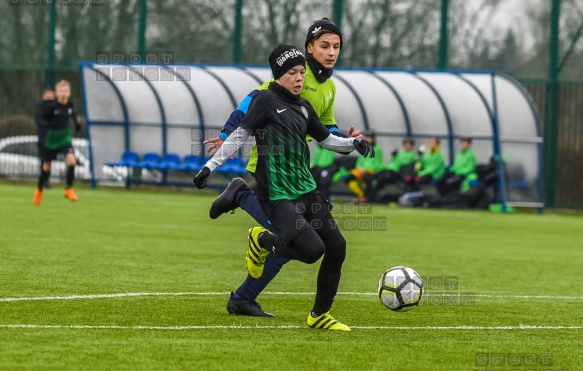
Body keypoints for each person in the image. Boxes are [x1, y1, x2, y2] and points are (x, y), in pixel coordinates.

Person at [193, 44, 375, 331]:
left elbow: (327, 139)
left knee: (337, 246)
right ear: (279, 75)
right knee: (312, 250)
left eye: (302, 72)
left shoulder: (305, 106)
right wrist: (208, 168)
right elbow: (239, 136)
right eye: (292, 72)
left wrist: (354, 143)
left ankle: (319, 315)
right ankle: (262, 240)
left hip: (307, 189)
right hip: (279, 195)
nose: (299, 78)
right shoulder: (265, 100)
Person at [33, 80, 81, 206]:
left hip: (64, 136)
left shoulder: (70, 105)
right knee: (46, 167)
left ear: (69, 93)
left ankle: (68, 188)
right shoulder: (52, 107)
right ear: (56, 93)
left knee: (72, 161)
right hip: (52, 138)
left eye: (66, 91)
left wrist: (77, 125)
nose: (64, 93)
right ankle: (39, 190)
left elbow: (72, 115)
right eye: (61, 91)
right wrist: (45, 128)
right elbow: (41, 118)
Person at [364, 137, 416, 202]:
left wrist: (396, 156)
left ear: (411, 146)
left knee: (380, 180)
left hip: (394, 172)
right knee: (370, 177)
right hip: (387, 169)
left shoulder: (411, 154)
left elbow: (403, 163)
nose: (407, 146)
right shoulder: (400, 153)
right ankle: (366, 196)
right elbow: (392, 161)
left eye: (409, 144)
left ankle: (369, 198)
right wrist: (394, 156)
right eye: (406, 144)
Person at [342, 130, 384, 202]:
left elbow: (378, 163)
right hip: (361, 170)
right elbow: (360, 161)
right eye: (367, 137)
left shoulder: (378, 149)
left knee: (368, 180)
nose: (369, 139)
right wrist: (360, 168)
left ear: (374, 139)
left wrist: (366, 169)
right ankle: (361, 195)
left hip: (372, 171)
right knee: (348, 178)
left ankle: (365, 198)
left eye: (370, 137)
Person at [35, 88, 55, 189]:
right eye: (47, 94)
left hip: (53, 139)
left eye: (51, 94)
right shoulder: (40, 106)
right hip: (43, 139)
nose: (49, 96)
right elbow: (39, 119)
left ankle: (46, 181)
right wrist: (49, 126)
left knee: (49, 161)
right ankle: (42, 181)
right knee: (44, 160)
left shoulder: (56, 106)